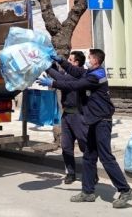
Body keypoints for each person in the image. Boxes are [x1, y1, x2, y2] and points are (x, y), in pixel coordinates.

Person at [38, 49, 132, 209]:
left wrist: (53, 83)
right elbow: (75, 71)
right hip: (93, 121)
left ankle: (125, 190)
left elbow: (75, 84)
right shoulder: (90, 72)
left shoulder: (96, 76)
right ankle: (88, 192)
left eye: (90, 57)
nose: (88, 59)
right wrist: (61, 60)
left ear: (96, 60)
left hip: (102, 121)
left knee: (106, 157)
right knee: (89, 156)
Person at [45, 50, 88, 184]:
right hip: (66, 115)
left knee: (84, 145)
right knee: (66, 146)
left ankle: (91, 172)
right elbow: (57, 74)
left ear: (76, 63)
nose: (67, 62)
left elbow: (61, 79)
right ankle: (70, 173)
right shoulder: (68, 73)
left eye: (69, 60)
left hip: (78, 116)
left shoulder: (79, 74)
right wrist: (49, 63)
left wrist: (44, 66)